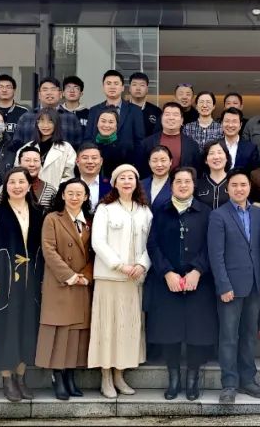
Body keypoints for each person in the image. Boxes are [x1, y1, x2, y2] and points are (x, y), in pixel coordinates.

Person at [145, 168, 217, 401]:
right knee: (170, 331)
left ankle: (192, 378)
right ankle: (174, 377)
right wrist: (167, 272)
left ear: (194, 185)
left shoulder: (206, 212)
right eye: (178, 181)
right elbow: (153, 245)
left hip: (199, 281)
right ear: (172, 185)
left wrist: (197, 270)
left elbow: (212, 245)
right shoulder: (160, 211)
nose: (183, 185)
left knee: (197, 331)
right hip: (168, 281)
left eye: (187, 181)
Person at [0, 167, 46, 402]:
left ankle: (21, 376)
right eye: (12, 182)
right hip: (4, 280)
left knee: (27, 328)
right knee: (5, 327)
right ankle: (7, 378)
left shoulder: (39, 212)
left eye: (21, 182)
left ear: (29, 186)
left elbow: (45, 249)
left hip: (32, 281)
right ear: (5, 186)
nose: (17, 186)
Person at [88, 164, 153, 398]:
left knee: (128, 329)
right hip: (110, 277)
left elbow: (151, 242)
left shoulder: (145, 211)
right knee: (107, 328)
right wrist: (119, 265)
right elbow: (98, 242)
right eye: (122, 178)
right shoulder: (105, 209)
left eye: (131, 178)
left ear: (137, 182)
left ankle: (119, 375)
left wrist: (141, 265)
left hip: (134, 279)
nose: (127, 181)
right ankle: (105, 376)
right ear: (114, 183)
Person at [208, 171, 260, 403]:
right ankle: (229, 384)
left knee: (249, 335)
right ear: (227, 189)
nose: (239, 189)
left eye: (243, 184)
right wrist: (223, 285)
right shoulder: (218, 215)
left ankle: (248, 380)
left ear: (249, 188)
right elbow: (216, 254)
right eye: (234, 185)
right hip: (230, 287)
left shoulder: (257, 214)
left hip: (254, 285)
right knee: (229, 336)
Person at [37, 178, 95, 401]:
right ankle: (57, 377)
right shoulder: (52, 218)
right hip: (60, 282)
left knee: (75, 334)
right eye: (70, 193)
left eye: (79, 193)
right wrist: (69, 276)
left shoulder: (89, 221)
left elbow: (94, 253)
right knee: (59, 332)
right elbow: (49, 250)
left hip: (81, 284)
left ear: (86, 197)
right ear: (62, 195)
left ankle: (70, 376)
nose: (74, 197)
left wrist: (86, 276)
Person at [14, 77, 83, 148]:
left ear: (60, 94)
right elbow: (16, 145)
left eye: (53, 89)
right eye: (45, 89)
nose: (49, 93)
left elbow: (79, 147)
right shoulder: (26, 117)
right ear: (39, 95)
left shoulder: (71, 118)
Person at [137, 102, 201, 177]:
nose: (171, 118)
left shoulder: (192, 145)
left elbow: (197, 172)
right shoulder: (147, 143)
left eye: (175, 115)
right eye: (167, 114)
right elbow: (141, 171)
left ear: (182, 120)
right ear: (161, 118)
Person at [85, 70, 146, 148]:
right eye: (108, 83)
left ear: (123, 88)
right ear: (103, 87)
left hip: (127, 155)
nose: (112, 87)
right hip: (100, 154)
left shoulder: (135, 111)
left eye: (116, 83)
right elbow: (88, 139)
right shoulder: (94, 110)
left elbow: (140, 141)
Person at [17, 108, 76, 189]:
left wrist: (55, 191)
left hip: (56, 193)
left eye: (50, 121)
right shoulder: (26, 148)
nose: (45, 125)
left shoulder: (66, 148)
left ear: (56, 124)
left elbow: (69, 176)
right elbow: (18, 173)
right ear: (37, 123)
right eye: (41, 121)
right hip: (29, 193)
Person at [94, 109, 135, 180]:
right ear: (97, 124)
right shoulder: (90, 145)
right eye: (103, 121)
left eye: (111, 122)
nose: (106, 125)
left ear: (116, 126)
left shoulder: (125, 147)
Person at [74, 143, 112, 212]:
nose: (90, 161)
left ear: (101, 161)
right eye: (85, 158)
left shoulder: (112, 185)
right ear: (77, 161)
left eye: (94, 158)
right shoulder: (68, 186)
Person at [221, 107, 260, 172]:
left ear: (240, 125)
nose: (230, 125)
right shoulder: (214, 146)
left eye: (234, 121)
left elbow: (254, 173)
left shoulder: (251, 148)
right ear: (221, 124)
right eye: (227, 121)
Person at [195, 141, 231, 210]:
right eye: (211, 153)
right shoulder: (198, 184)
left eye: (219, 152)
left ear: (226, 158)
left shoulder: (234, 182)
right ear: (205, 160)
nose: (216, 157)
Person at [141, 145, 174, 212]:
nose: (159, 165)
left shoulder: (176, 185)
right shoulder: (140, 184)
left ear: (170, 162)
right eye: (154, 161)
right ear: (149, 162)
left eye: (163, 160)